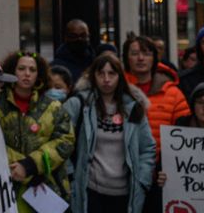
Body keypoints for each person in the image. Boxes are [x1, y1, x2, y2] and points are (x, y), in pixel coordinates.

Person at [62, 55, 156, 213]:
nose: (106, 79)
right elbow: (61, 141)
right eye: (101, 73)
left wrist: (142, 181)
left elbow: (147, 148)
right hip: (89, 191)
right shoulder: (79, 104)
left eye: (112, 73)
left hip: (125, 194)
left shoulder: (133, 108)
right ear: (93, 76)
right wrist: (70, 176)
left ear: (120, 76)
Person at [0, 51, 74, 210]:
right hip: (5, 187)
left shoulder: (53, 107)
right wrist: (21, 167)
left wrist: (31, 165)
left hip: (45, 187)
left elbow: (66, 141)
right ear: (12, 71)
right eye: (21, 68)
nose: (27, 74)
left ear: (39, 74)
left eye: (32, 70)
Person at [121, 36, 188, 213]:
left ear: (154, 58)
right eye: (134, 53)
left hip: (162, 179)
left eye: (146, 53)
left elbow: (186, 137)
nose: (140, 58)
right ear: (126, 58)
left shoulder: (173, 94)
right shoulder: (116, 90)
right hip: (121, 176)